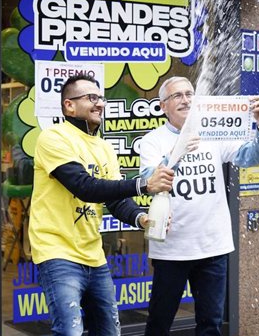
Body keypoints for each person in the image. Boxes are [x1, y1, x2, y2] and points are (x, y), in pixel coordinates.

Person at [28, 74, 175, 336]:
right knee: (69, 332)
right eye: (91, 98)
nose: (100, 104)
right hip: (57, 253)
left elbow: (116, 200)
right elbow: (84, 186)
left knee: (109, 332)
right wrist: (143, 184)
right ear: (69, 105)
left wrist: (142, 218)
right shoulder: (53, 138)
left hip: (94, 257)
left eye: (101, 98)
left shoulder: (105, 148)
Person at [139, 76, 259, 336]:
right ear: (163, 106)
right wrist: (178, 151)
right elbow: (149, 181)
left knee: (210, 324)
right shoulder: (152, 140)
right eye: (177, 96)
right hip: (172, 249)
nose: (186, 100)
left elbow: (255, 157)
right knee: (159, 323)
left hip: (213, 247)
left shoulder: (213, 131)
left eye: (190, 93)